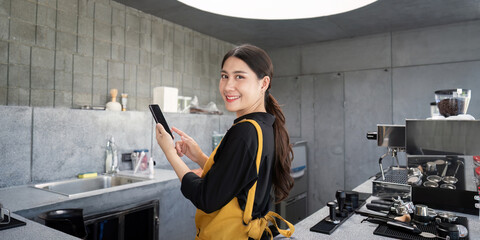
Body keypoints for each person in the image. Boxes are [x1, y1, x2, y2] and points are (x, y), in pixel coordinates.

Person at [155, 44, 295, 239]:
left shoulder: (245, 131)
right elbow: (238, 179)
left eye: (239, 76)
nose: (228, 86)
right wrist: (200, 157)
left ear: (263, 84)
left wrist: (169, 152)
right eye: (224, 76)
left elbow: (206, 197)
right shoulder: (264, 125)